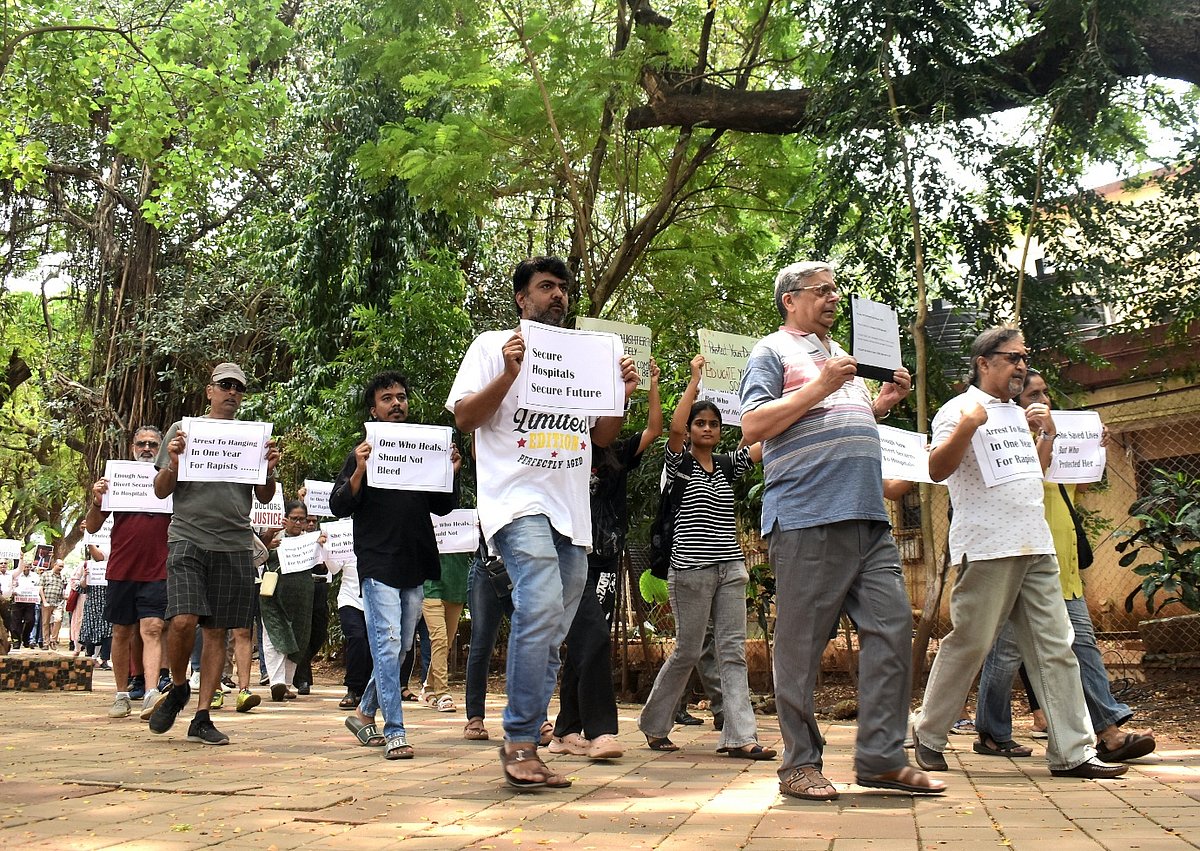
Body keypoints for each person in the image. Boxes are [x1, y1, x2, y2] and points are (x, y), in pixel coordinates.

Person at [739, 260, 944, 800]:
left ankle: (880, 757)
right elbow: (753, 426)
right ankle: (799, 765)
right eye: (822, 290)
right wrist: (823, 384)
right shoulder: (771, 351)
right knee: (801, 648)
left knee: (893, 629)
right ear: (790, 299)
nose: (834, 297)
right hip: (807, 515)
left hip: (868, 518)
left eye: (836, 290)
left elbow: (838, 424)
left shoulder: (840, 357)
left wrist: (881, 404)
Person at [446, 255, 638, 789]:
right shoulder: (492, 346)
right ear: (521, 298)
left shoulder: (585, 356)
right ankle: (520, 741)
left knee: (552, 627)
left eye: (563, 288)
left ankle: (528, 738)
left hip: (571, 514)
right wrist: (509, 374)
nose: (558, 295)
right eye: (546, 286)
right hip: (515, 502)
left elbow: (602, 436)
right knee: (540, 602)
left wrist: (619, 394)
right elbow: (465, 417)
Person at [910, 327, 1127, 780]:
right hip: (988, 546)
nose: (1021, 366)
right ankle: (928, 733)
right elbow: (936, 469)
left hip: (1036, 544)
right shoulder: (958, 410)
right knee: (971, 643)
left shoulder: (1017, 413)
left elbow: (1035, 473)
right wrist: (968, 425)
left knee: (1056, 647)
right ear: (984, 362)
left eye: (1024, 357)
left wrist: (1046, 434)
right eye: (1012, 358)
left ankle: (1073, 752)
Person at [973, 369, 1156, 763]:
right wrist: (1044, 437)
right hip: (1024, 557)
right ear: (1016, 405)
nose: (1044, 401)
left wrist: (1093, 450)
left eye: (1045, 393)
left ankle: (1108, 730)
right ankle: (991, 730)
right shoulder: (1010, 441)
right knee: (1006, 654)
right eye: (1033, 395)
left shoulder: (1060, 434)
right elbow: (1025, 481)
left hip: (1064, 560)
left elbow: (1079, 487)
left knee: (1081, 643)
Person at [638, 354, 773, 760]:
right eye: (701, 423)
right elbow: (674, 429)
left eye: (714, 423)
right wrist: (694, 380)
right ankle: (655, 724)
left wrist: (799, 399)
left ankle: (740, 736)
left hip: (730, 569)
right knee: (688, 650)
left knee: (733, 652)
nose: (708, 428)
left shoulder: (728, 465)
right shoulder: (678, 464)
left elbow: (763, 441)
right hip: (690, 569)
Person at [329, 371, 461, 760]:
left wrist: (451, 473)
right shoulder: (362, 453)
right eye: (387, 398)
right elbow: (339, 505)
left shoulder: (424, 451)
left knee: (401, 647)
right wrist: (359, 470)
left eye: (401, 397)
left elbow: (443, 506)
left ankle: (363, 712)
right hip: (377, 562)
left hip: (414, 562)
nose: (396, 403)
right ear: (374, 410)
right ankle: (395, 730)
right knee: (387, 646)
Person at [148, 363, 280, 746]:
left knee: (216, 630)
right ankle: (178, 686)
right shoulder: (183, 430)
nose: (232, 392)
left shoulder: (252, 437)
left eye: (238, 387)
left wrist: (269, 469)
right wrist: (174, 463)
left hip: (234, 543)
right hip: (187, 537)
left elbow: (265, 496)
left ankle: (202, 715)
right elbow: (160, 490)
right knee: (183, 620)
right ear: (210, 391)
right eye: (225, 385)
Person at [552, 358, 663, 761]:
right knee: (592, 637)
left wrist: (651, 385)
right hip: (571, 554)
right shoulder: (563, 449)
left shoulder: (616, 451)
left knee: (587, 642)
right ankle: (596, 731)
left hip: (605, 559)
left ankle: (565, 731)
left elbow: (654, 430)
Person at [84, 426, 175, 718]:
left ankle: (151, 693)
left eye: (153, 444)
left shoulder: (172, 480)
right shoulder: (117, 480)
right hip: (121, 569)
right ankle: (121, 694)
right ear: (132, 448)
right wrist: (97, 500)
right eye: (141, 444)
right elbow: (93, 526)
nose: (147, 449)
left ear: (161, 448)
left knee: (153, 628)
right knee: (121, 631)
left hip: (158, 569)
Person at [259, 500, 316, 702]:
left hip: (302, 596)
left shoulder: (311, 541)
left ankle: (287, 684)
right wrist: (268, 544)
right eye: (294, 518)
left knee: (298, 636)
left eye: (302, 519)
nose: (298, 523)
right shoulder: (273, 536)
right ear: (286, 518)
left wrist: (322, 546)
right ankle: (276, 682)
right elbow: (256, 556)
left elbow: (324, 567)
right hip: (274, 595)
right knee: (273, 634)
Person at [419, 552, 470, 712]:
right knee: (439, 640)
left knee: (445, 644)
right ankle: (442, 693)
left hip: (456, 588)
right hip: (430, 587)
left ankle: (428, 688)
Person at [8, 560, 40, 649]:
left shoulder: (35, 576)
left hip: (30, 602)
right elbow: (10, 585)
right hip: (17, 601)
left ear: (31, 567)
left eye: (29, 566)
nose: (27, 568)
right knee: (15, 622)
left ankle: (26, 638)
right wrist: (12, 591)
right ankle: (16, 641)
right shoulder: (15, 575)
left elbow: (38, 587)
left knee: (30, 621)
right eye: (25, 566)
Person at [39, 560, 68, 650]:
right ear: (55, 565)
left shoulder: (63, 577)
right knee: (45, 623)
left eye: (62, 567)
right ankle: (46, 643)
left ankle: (53, 640)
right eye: (59, 566)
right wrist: (44, 601)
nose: (61, 568)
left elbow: (64, 590)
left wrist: (66, 597)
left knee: (58, 619)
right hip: (47, 602)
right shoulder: (45, 574)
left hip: (58, 603)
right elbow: (40, 589)